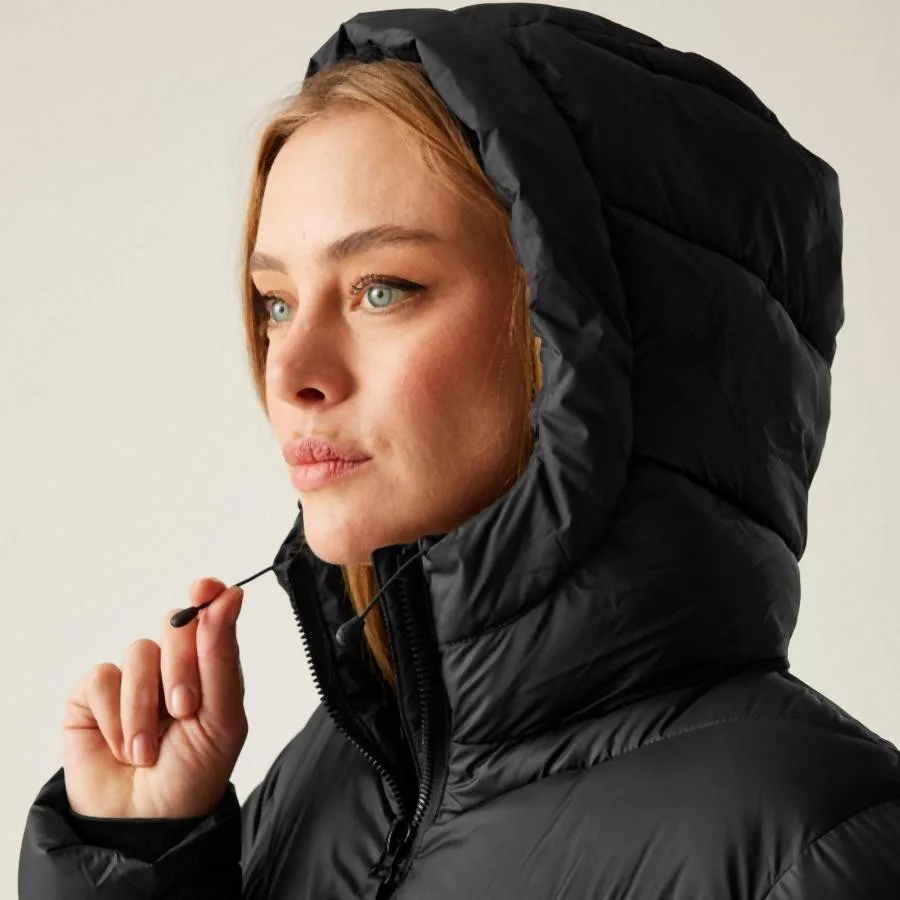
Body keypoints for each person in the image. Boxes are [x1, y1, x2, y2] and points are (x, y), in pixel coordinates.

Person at [18, 4, 900, 898]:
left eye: (382, 289)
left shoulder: (820, 848)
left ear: (585, 340)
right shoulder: (330, 780)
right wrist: (140, 851)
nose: (290, 372)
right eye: (277, 303)